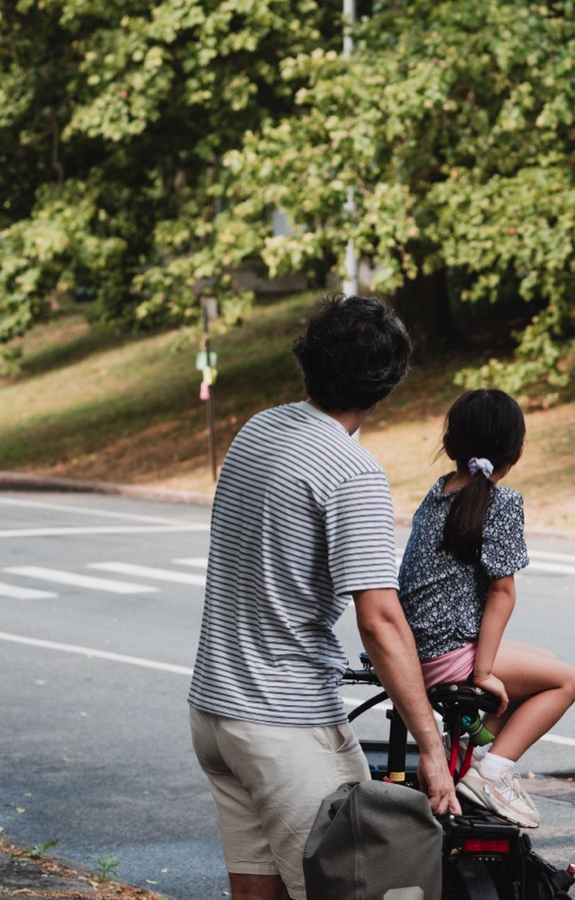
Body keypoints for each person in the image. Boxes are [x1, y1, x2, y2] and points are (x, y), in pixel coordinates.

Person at [188, 294, 460, 900]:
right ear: (386, 384)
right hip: (284, 723)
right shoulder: (350, 470)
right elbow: (381, 622)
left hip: (214, 712)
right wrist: (433, 753)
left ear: (308, 361)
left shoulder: (258, 429)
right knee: (364, 883)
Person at [397, 388, 575, 829]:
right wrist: (481, 673)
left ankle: (474, 761)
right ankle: (492, 774)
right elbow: (502, 594)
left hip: (417, 647)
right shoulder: (502, 502)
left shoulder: (439, 489)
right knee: (565, 681)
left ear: (450, 446)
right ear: (518, 450)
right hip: (446, 653)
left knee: (547, 666)